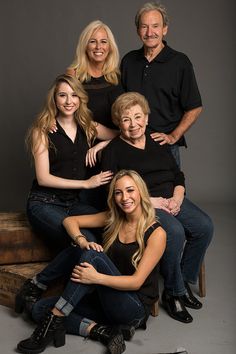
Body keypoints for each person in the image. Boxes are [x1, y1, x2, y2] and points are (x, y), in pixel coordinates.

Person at [16, 170, 166, 354]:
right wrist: (81, 241)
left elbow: (136, 282)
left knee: (92, 255)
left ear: (141, 192)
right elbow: (70, 221)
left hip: (132, 309)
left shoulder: (156, 233)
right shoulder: (114, 218)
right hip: (104, 300)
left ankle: (49, 326)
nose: (124, 197)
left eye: (130, 190)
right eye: (118, 192)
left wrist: (96, 278)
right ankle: (103, 332)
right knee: (39, 308)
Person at [101, 92, 214, 323]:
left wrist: (177, 198)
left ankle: (181, 283)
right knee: (174, 232)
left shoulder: (157, 139)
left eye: (138, 116)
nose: (133, 124)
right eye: (126, 119)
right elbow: (112, 191)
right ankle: (174, 294)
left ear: (146, 117)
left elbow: (177, 174)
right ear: (118, 122)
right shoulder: (113, 150)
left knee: (204, 226)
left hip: (172, 198)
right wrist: (150, 202)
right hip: (144, 204)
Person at [25, 74, 115, 253]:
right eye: (62, 95)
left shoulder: (89, 127)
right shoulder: (41, 131)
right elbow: (43, 178)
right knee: (86, 241)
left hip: (73, 204)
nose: (69, 101)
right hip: (44, 203)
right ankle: (40, 281)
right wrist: (86, 183)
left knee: (112, 226)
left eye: (74, 95)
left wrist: (101, 144)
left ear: (80, 99)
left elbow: (123, 135)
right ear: (54, 98)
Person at [120, 2, 202, 167]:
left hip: (164, 147)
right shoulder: (128, 61)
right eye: (144, 27)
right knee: (133, 192)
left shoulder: (180, 63)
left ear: (165, 29)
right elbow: (119, 103)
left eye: (155, 26)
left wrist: (173, 136)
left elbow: (194, 106)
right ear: (138, 30)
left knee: (171, 192)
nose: (150, 33)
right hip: (130, 143)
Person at [66, 20, 124, 208]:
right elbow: (64, 110)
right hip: (85, 150)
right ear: (85, 45)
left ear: (110, 46)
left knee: (116, 202)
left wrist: (116, 139)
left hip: (114, 148)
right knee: (88, 205)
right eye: (93, 41)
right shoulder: (73, 74)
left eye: (103, 41)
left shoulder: (117, 76)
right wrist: (119, 136)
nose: (98, 47)